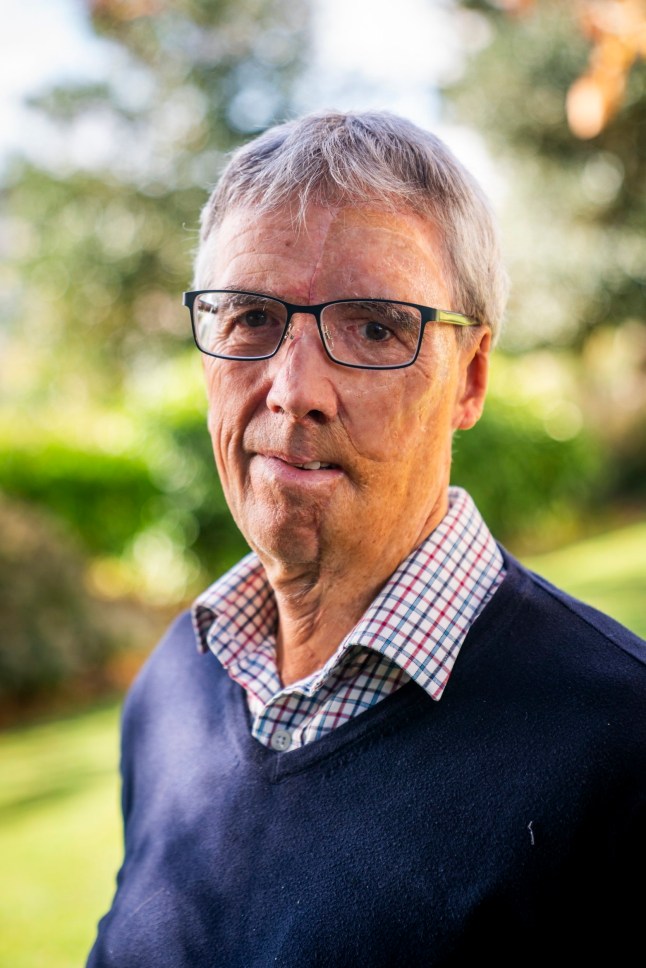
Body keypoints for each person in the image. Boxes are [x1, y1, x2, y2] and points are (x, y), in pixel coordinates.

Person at [86, 110, 646, 968]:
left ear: (472, 379)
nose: (294, 390)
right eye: (249, 318)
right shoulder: (172, 690)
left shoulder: (618, 745)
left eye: (376, 327)